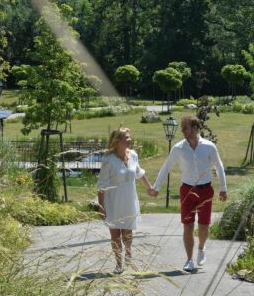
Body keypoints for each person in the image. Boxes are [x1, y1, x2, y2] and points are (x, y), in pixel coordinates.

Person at [152, 115, 227, 272]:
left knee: (203, 225)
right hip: (187, 190)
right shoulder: (178, 148)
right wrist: (156, 187)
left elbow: (218, 166)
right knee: (188, 225)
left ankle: (201, 247)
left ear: (194, 127)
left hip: (206, 190)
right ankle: (189, 260)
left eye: (185, 127)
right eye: (182, 127)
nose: (182, 130)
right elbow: (166, 167)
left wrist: (223, 188)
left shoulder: (209, 146)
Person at [97, 127, 157, 274]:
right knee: (115, 233)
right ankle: (119, 263)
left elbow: (139, 173)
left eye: (130, 137)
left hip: (129, 199)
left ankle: (128, 252)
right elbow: (101, 185)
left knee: (127, 232)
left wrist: (150, 187)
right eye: (127, 138)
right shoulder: (108, 160)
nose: (130, 140)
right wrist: (101, 206)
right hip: (113, 200)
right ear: (118, 141)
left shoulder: (134, 155)